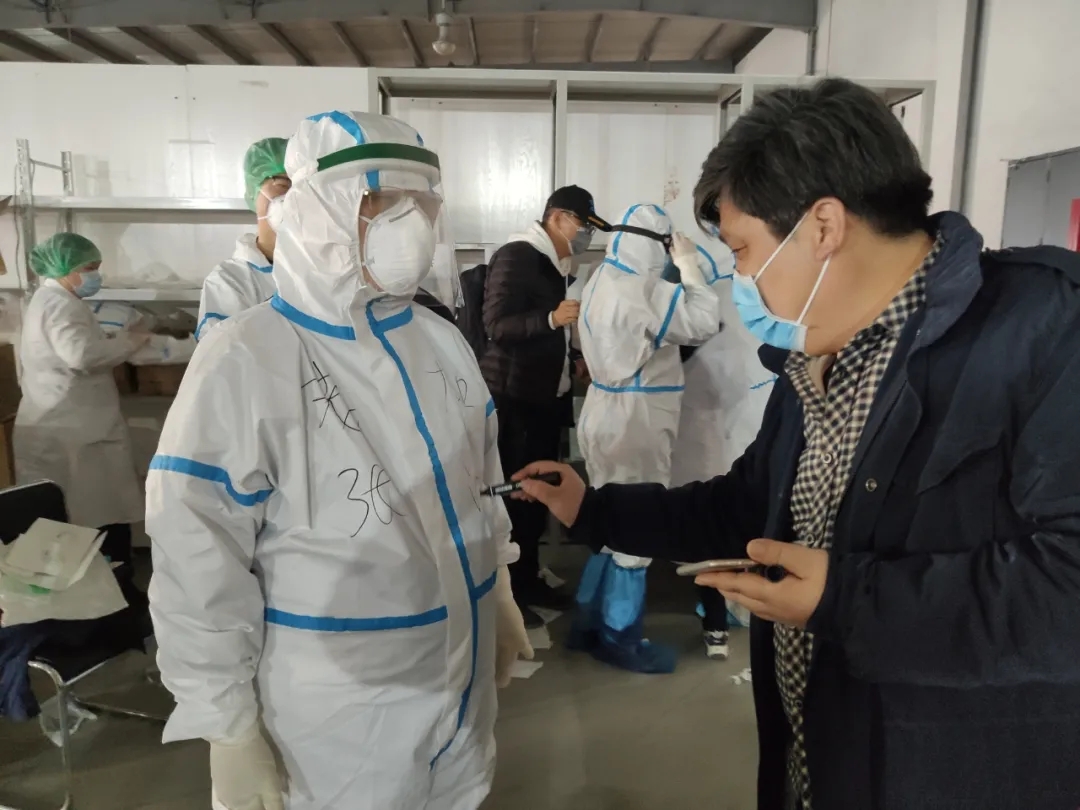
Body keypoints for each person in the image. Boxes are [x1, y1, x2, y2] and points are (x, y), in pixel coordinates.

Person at [513, 77, 1080, 810]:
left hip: (947, 772)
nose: (742, 278)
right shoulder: (816, 353)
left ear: (823, 227)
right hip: (819, 756)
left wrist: (850, 599)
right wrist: (595, 510)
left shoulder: (1046, 331)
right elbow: (749, 505)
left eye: (744, 251)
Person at [146, 110, 533, 810]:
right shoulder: (247, 356)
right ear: (317, 210)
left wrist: (499, 585)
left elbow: (481, 481)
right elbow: (195, 551)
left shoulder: (440, 341)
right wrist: (225, 721)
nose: (405, 223)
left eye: (418, 203)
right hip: (339, 714)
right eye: (378, 202)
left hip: (461, 687)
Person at [569, 203, 721, 673]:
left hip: (600, 410)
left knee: (607, 519)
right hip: (636, 418)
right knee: (636, 531)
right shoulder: (647, 290)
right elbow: (704, 321)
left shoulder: (600, 277)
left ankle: (588, 624)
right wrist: (690, 267)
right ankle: (621, 638)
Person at [480, 185, 610, 627]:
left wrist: (572, 357)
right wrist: (552, 319)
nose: (586, 235)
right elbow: (497, 325)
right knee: (515, 498)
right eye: (582, 226)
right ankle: (510, 595)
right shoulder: (518, 255)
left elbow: (550, 331)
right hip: (514, 399)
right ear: (557, 218)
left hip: (544, 399)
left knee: (538, 495)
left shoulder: (555, 264)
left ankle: (529, 579)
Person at [14, 233, 151, 575]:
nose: (95, 276)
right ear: (66, 268)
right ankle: (111, 586)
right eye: (89, 268)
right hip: (73, 430)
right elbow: (81, 355)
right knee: (92, 514)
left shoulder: (52, 299)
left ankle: (101, 583)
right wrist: (129, 342)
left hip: (64, 422)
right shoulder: (60, 304)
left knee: (82, 514)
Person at [668, 249, 775, 660]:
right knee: (722, 518)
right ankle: (721, 615)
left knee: (723, 519)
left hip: (730, 421)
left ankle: (724, 614)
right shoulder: (735, 291)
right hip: (719, 423)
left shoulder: (711, 292)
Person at [195, 137, 289, 340]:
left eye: (302, 187)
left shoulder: (324, 270)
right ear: (255, 193)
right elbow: (222, 352)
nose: (293, 198)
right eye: (283, 184)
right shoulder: (229, 281)